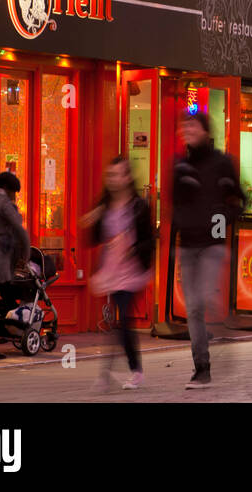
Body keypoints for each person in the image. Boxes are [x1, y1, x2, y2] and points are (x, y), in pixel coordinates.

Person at [172, 112, 245, 389]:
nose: (186, 130)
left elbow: (240, 198)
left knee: (201, 298)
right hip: (188, 245)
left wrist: (224, 217)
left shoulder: (222, 162)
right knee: (192, 309)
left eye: (191, 125)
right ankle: (202, 368)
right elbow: (174, 205)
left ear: (204, 130)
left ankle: (220, 318)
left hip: (213, 242)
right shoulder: (180, 167)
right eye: (184, 127)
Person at [81, 157, 153, 390]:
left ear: (128, 177)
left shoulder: (139, 206)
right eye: (110, 175)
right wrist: (91, 222)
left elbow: (149, 241)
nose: (113, 180)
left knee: (122, 321)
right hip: (111, 269)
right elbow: (94, 239)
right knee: (115, 323)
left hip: (131, 270)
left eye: (118, 175)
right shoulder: (105, 205)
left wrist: (131, 249)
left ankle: (128, 372)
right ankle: (114, 373)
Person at [0, 170, 30, 357]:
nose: (14, 196)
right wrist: (26, 254)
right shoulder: (4, 203)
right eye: (14, 192)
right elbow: (20, 231)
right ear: (7, 189)